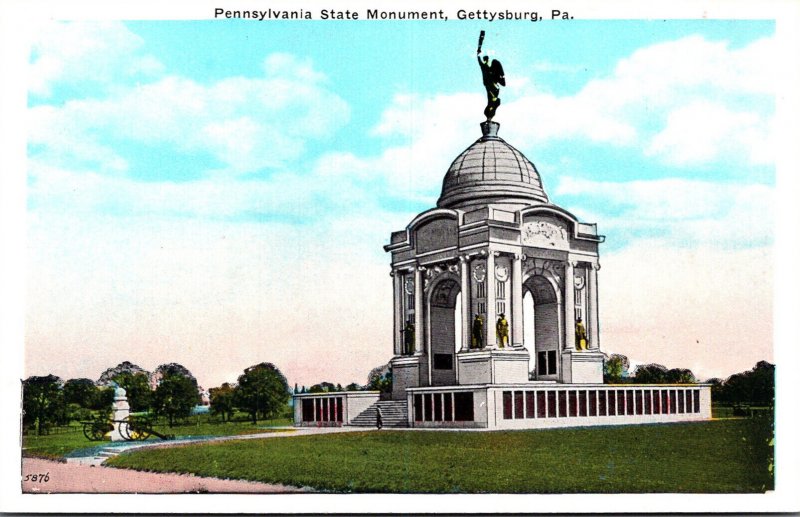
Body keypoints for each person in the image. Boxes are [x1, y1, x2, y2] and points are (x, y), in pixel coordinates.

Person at [477, 36, 505, 121]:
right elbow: (478, 58)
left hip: (494, 86)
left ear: (488, 60)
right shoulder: (484, 67)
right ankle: (490, 111)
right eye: (485, 59)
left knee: (492, 100)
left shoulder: (490, 68)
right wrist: (478, 51)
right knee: (491, 100)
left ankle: (491, 110)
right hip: (489, 85)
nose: (486, 61)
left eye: (486, 59)